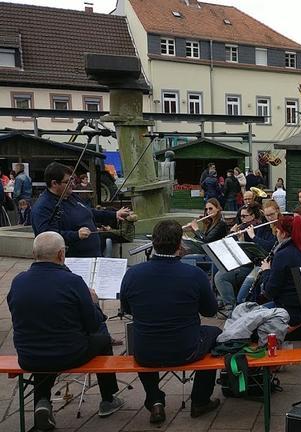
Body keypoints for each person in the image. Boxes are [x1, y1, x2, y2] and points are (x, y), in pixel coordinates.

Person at [8, 232, 124, 430]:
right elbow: (93, 325)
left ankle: (42, 401)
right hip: (68, 353)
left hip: (28, 355)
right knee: (102, 339)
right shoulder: (73, 282)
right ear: (61, 255)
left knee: (43, 344)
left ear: (34, 253)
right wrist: (94, 303)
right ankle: (108, 399)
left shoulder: (18, 281)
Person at [120, 221, 221, 423]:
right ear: (179, 245)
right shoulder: (195, 274)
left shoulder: (132, 274)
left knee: (142, 337)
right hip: (186, 349)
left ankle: (155, 400)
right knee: (216, 334)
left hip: (146, 352)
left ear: (154, 244)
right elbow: (210, 311)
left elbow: (127, 310)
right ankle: (200, 400)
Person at [32, 163, 131, 258]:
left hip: (93, 257)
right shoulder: (43, 207)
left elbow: (88, 212)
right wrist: (76, 235)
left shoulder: (71, 196)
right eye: (68, 181)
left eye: (73, 180)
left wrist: (114, 214)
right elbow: (47, 237)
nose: (73, 184)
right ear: (54, 183)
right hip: (72, 261)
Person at [256, 214, 301, 325]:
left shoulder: (283, 254)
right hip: (300, 306)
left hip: (288, 311)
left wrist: (266, 270)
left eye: (277, 231)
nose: (276, 235)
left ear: (283, 233)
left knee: (248, 318)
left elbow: (270, 291)